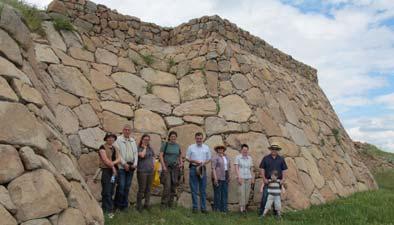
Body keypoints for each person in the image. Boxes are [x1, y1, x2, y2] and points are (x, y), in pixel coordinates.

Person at [113, 124, 138, 211]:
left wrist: (135, 163)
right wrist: (124, 164)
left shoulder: (132, 141)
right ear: (123, 130)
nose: (127, 131)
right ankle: (117, 205)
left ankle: (124, 206)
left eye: (128, 130)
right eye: (125, 130)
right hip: (122, 167)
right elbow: (118, 153)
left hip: (131, 166)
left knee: (127, 187)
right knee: (121, 186)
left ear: (130, 131)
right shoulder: (118, 140)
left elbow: (135, 153)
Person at [258, 143, 288, 216]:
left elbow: (284, 170)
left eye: (275, 149)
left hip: (278, 182)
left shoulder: (281, 159)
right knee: (265, 197)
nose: (274, 150)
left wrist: (283, 179)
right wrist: (264, 179)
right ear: (270, 149)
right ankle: (262, 213)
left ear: (277, 150)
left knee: (276, 198)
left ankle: (276, 214)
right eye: (273, 149)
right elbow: (262, 168)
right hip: (268, 181)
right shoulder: (266, 158)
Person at [186, 132, 212, 213]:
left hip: (202, 168)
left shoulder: (206, 147)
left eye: (200, 138)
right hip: (193, 168)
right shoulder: (191, 147)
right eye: (197, 138)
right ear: (195, 138)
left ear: (202, 138)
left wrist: (204, 163)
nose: (199, 140)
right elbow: (187, 158)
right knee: (194, 189)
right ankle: (195, 208)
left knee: (203, 189)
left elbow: (209, 158)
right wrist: (193, 161)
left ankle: (203, 208)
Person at [98, 133, 121, 218]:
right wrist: (113, 168)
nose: (110, 139)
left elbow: (119, 159)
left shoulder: (116, 148)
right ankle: (109, 211)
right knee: (106, 191)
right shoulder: (102, 148)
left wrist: (113, 164)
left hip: (114, 173)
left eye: (112, 138)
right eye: (109, 138)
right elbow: (105, 160)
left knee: (111, 191)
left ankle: (105, 210)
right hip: (107, 172)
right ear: (106, 139)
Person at [160, 131, 183, 208]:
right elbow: (161, 155)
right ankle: (164, 204)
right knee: (167, 186)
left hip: (175, 168)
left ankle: (171, 204)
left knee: (173, 186)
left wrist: (181, 163)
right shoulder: (165, 145)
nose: (173, 138)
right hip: (167, 167)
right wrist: (163, 166)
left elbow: (180, 155)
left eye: (174, 136)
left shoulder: (177, 146)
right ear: (169, 137)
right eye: (172, 136)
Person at [136, 134, 155, 212]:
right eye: (145, 139)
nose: (146, 141)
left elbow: (153, 157)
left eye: (148, 140)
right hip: (142, 171)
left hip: (150, 171)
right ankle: (138, 206)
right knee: (142, 189)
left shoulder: (150, 148)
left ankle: (146, 205)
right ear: (142, 140)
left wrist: (153, 165)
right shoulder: (138, 148)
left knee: (148, 189)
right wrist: (144, 147)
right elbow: (142, 155)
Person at [234, 144, 254, 215]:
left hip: (248, 177)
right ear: (241, 150)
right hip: (241, 177)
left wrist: (252, 178)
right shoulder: (238, 157)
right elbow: (236, 168)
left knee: (247, 193)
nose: (245, 151)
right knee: (241, 193)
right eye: (244, 150)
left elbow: (251, 168)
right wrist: (239, 177)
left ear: (247, 150)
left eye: (246, 150)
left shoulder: (250, 158)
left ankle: (245, 208)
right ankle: (241, 209)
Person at [211, 145, 230, 212]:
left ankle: (224, 209)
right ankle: (217, 209)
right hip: (218, 177)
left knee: (224, 193)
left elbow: (228, 167)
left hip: (225, 176)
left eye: (222, 148)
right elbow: (213, 168)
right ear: (217, 150)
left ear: (223, 149)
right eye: (219, 148)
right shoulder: (215, 157)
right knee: (217, 194)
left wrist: (229, 176)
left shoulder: (226, 157)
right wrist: (215, 178)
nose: (220, 149)